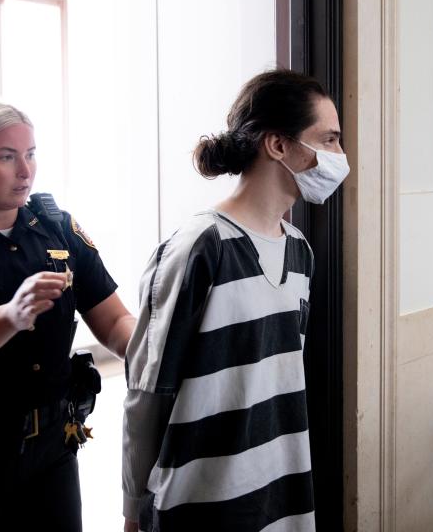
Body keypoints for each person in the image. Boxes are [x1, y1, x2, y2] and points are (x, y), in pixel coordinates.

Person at [121, 69, 348, 532]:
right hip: (203, 503)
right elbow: (148, 392)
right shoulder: (200, 246)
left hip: (282, 495)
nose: (340, 157)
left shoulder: (299, 251)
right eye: (328, 140)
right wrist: (132, 509)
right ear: (278, 145)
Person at [0, 101, 136, 531]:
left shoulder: (58, 229)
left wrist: (160, 342)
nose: (25, 171)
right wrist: (10, 316)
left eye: (30, 154)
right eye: (6, 157)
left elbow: (113, 323)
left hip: (53, 446)